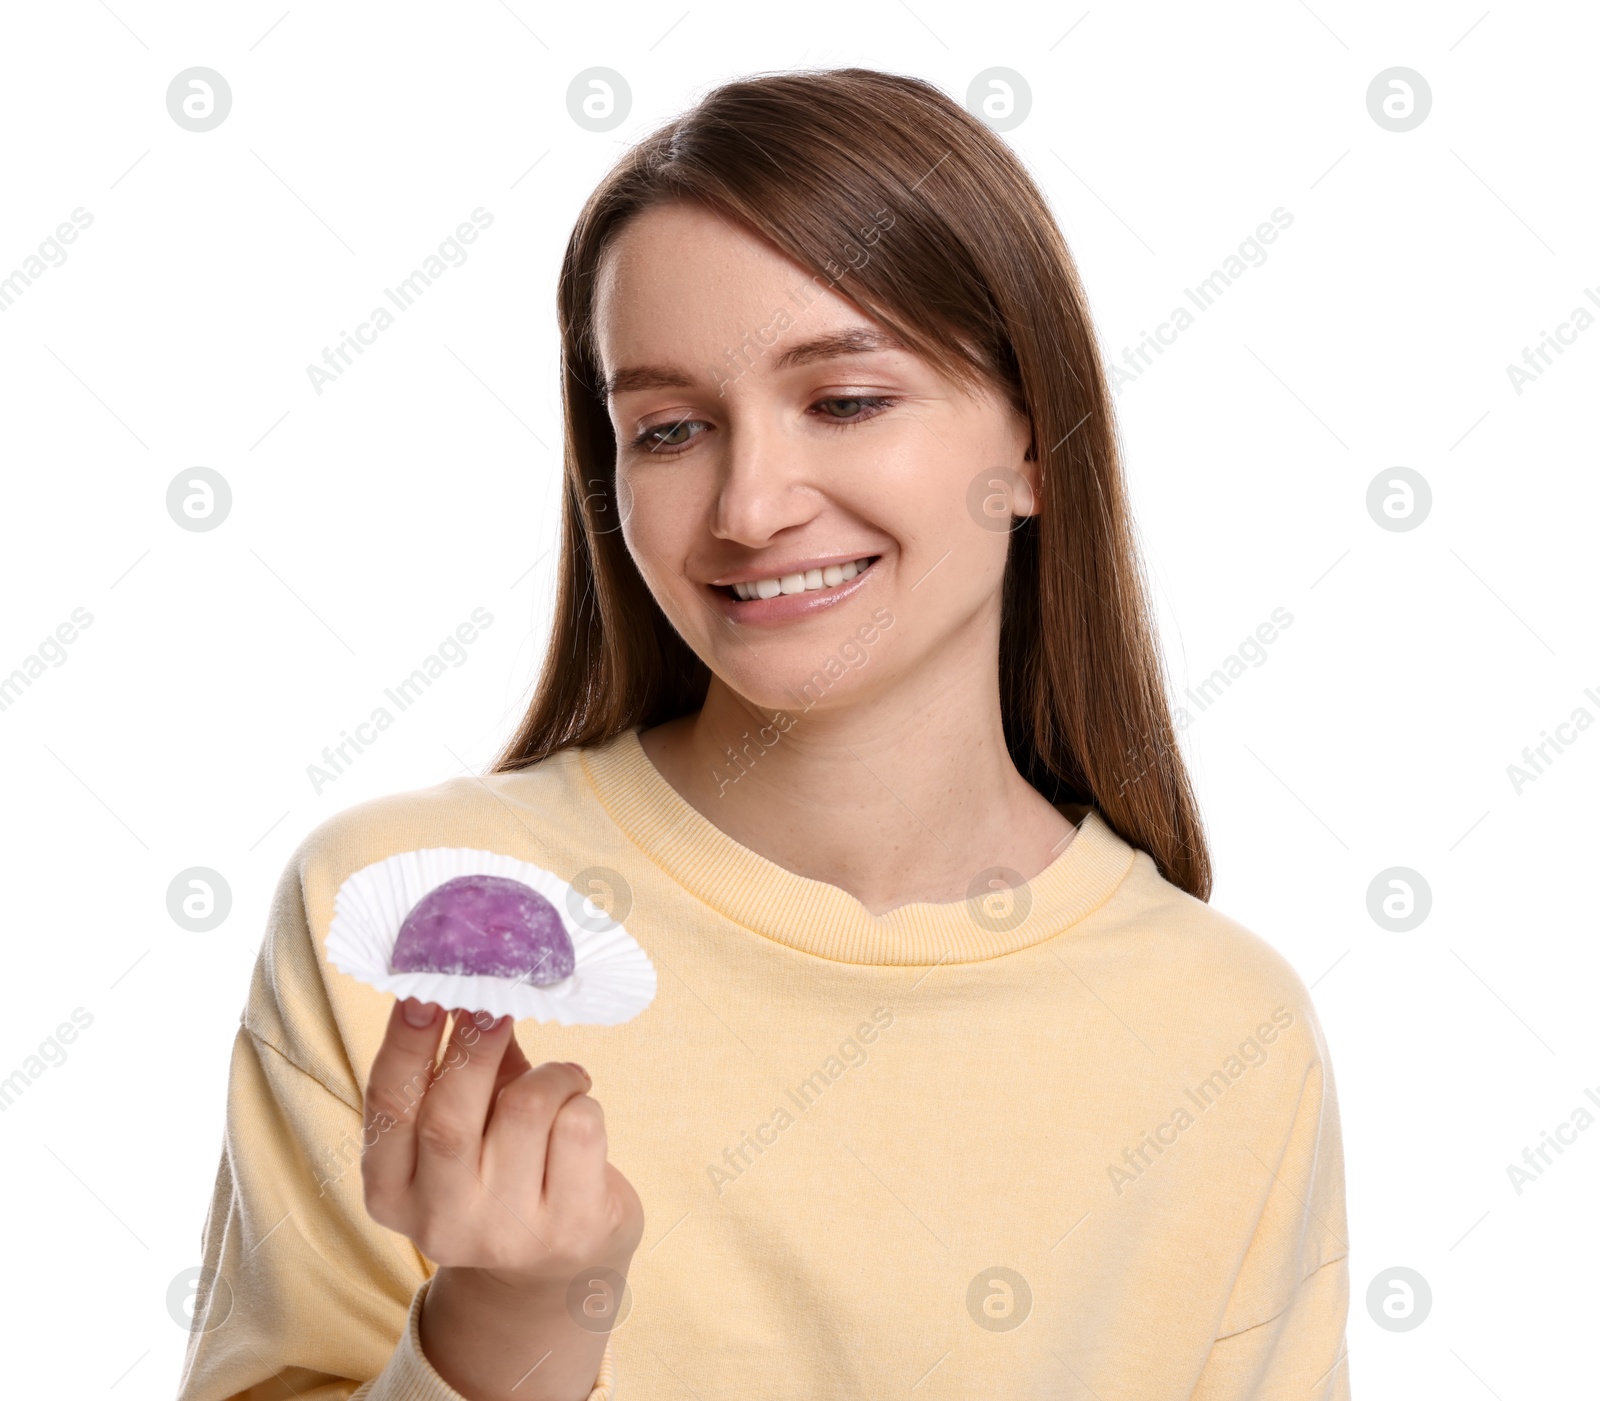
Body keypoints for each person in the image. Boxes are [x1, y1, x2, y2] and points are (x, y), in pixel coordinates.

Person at [179, 67, 1349, 1401]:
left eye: (846, 401)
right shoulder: (410, 921)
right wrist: (509, 1329)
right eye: (668, 430)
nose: (750, 503)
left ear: (1032, 441)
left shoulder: (1225, 1027)